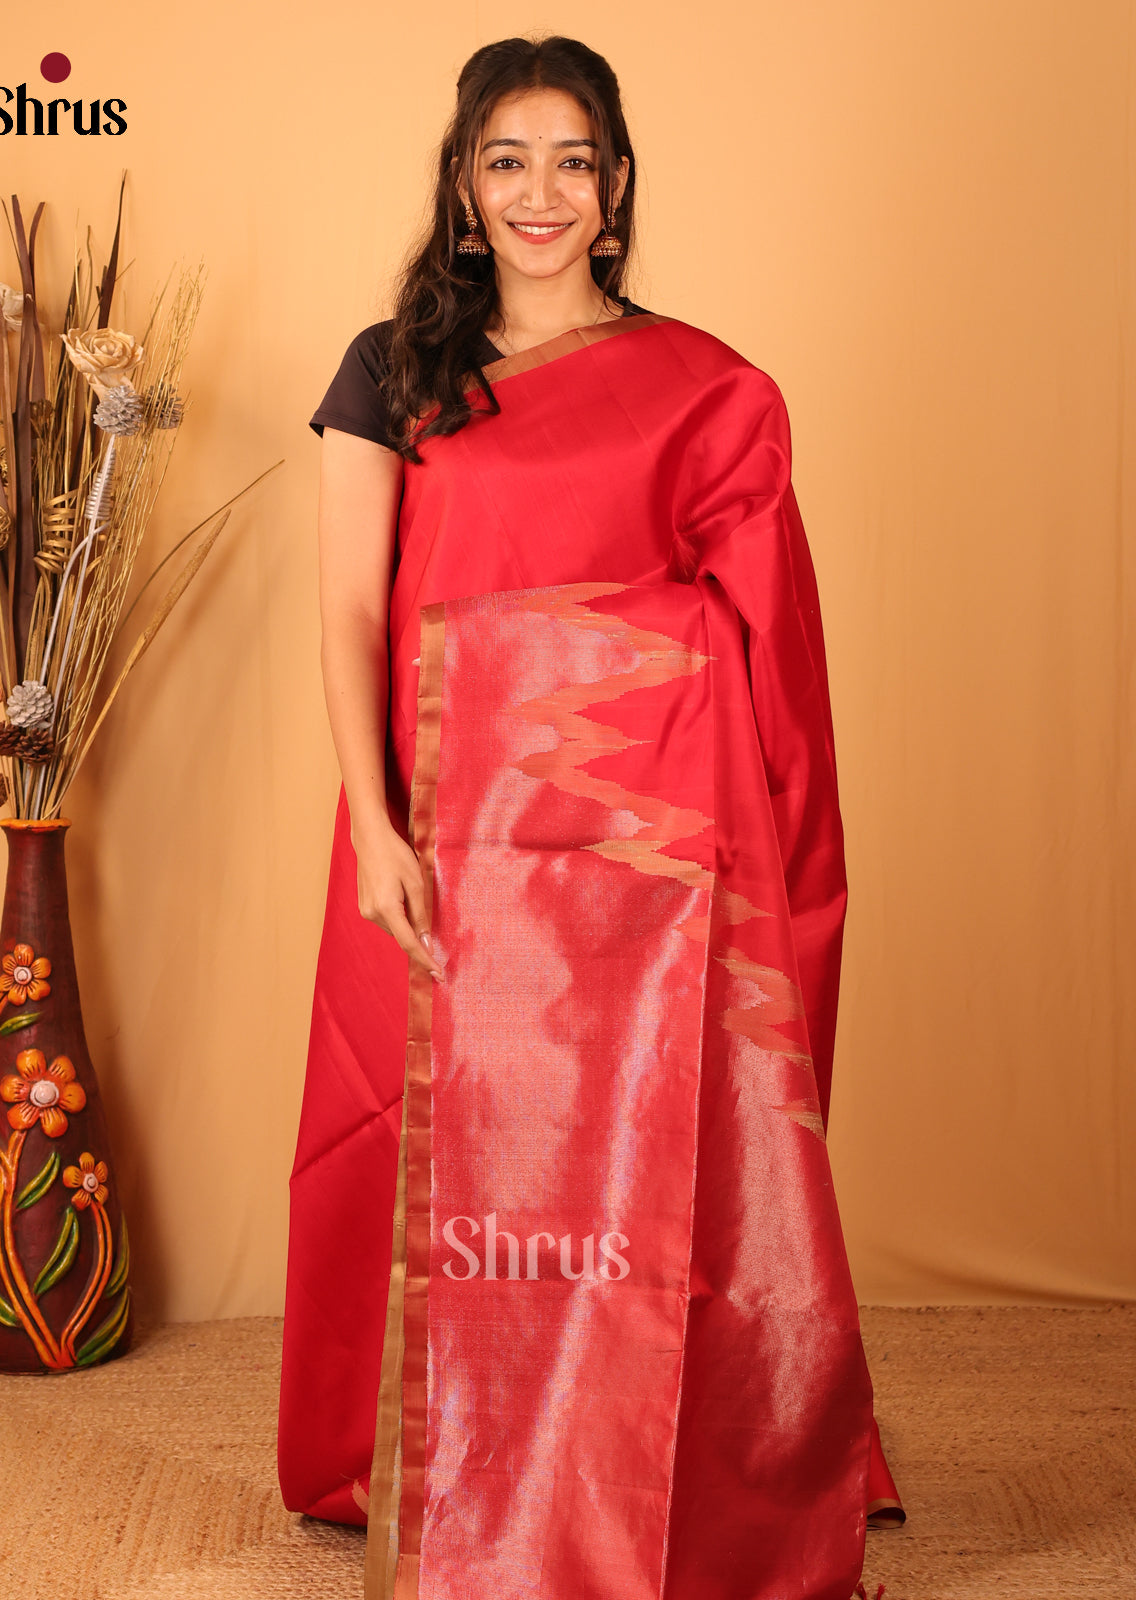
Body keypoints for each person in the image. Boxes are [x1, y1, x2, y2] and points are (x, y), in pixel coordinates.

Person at [278, 32, 905, 1599]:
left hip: (645, 881)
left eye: (573, 161)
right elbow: (354, 615)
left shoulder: (709, 394)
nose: (541, 192)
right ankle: (421, 1457)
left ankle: (667, 1445)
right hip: (442, 839)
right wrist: (373, 818)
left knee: (639, 1166)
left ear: (616, 193)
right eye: (508, 161)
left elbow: (759, 659)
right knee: (415, 1139)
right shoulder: (393, 372)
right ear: (466, 191)